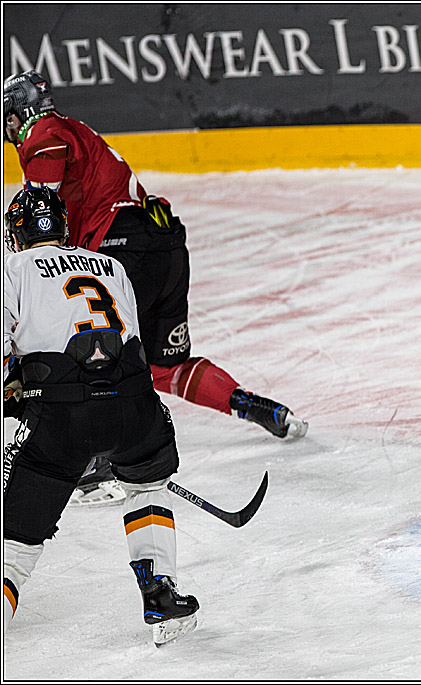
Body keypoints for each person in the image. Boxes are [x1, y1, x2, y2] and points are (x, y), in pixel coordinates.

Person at [3, 70, 306, 504]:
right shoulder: (74, 128)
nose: (9, 128)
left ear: (21, 111)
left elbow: (40, 217)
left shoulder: (42, 133)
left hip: (122, 246)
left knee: (101, 355)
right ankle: (256, 406)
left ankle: (102, 467)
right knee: (166, 367)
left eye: (9, 117)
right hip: (163, 244)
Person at [3, 188, 200, 645]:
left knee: (13, 547)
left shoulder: (11, 269)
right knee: (146, 484)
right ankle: (160, 593)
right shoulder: (110, 265)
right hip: (135, 410)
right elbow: (123, 344)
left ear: (18, 234)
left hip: (61, 421)